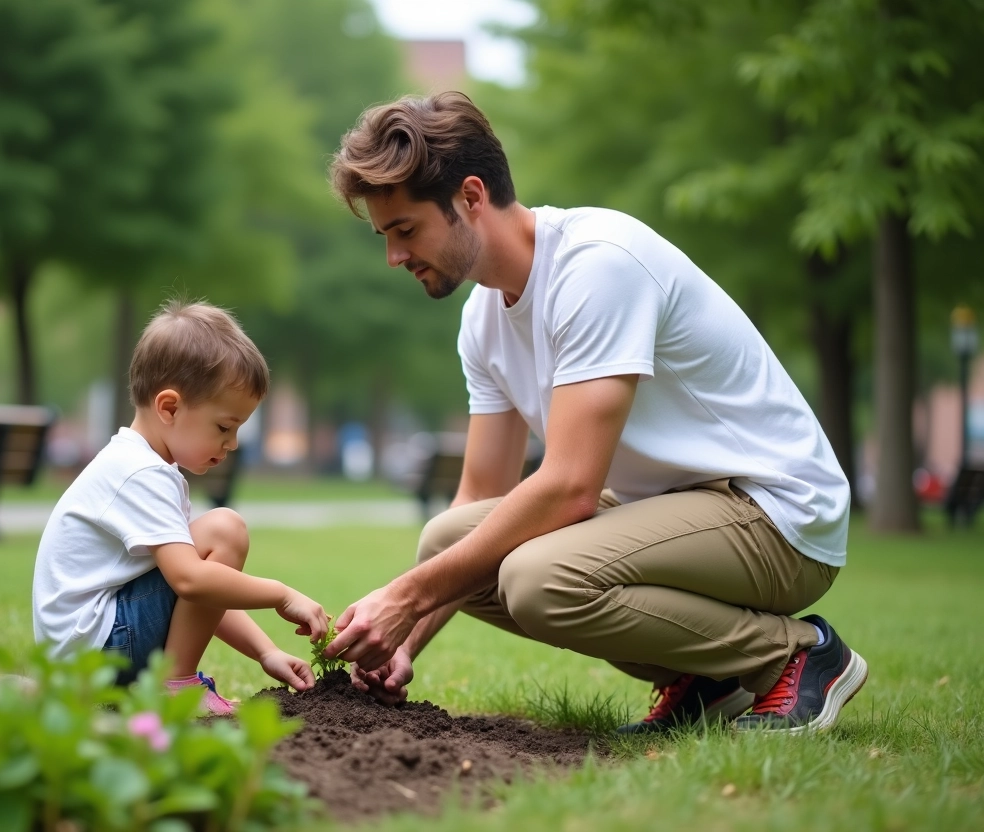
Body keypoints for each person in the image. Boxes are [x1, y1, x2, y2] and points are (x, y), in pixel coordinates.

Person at [322, 92, 868, 733]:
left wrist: (403, 597)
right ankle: (707, 678)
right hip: (671, 512)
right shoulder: (483, 319)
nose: (394, 257)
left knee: (539, 579)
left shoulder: (597, 265)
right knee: (448, 539)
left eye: (405, 230)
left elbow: (573, 488)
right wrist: (403, 642)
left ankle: (796, 657)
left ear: (471, 197)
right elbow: (480, 495)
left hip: (774, 514)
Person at [33, 300, 329, 714]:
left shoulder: (139, 464)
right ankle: (176, 687)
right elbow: (191, 582)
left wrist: (265, 652)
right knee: (225, 529)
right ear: (169, 407)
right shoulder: (141, 473)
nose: (233, 442)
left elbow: (194, 593)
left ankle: (175, 682)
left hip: (84, 651)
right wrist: (280, 595)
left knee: (212, 541)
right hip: (96, 648)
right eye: (224, 426)